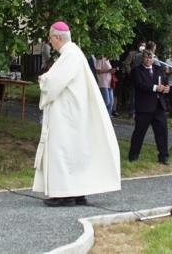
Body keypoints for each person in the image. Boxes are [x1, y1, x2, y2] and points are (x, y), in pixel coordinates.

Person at [34, 21, 120, 207]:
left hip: (66, 115)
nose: (51, 42)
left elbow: (54, 83)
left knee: (62, 151)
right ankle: (77, 191)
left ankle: (65, 194)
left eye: (51, 39)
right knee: (73, 152)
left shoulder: (70, 55)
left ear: (57, 37)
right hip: (73, 112)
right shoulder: (73, 53)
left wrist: (43, 79)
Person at [128, 50, 170, 165]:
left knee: (162, 132)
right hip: (144, 107)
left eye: (150, 58)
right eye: (146, 57)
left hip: (159, 106)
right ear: (142, 58)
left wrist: (167, 88)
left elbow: (165, 82)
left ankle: (163, 156)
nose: (148, 60)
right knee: (139, 132)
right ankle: (133, 155)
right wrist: (156, 87)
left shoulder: (158, 70)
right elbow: (140, 85)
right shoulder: (136, 71)